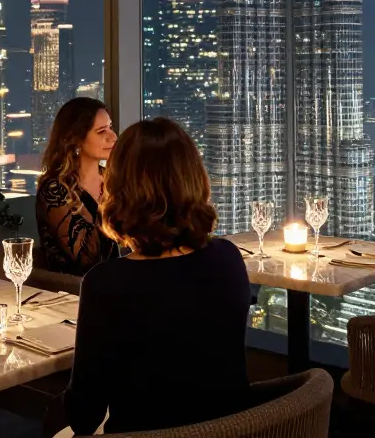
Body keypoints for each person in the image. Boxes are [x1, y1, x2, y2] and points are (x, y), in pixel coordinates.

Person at [61, 117, 251, 435]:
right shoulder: (228, 258)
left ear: (119, 189)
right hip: (234, 430)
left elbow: (84, 415)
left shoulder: (107, 284)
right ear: (194, 178)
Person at [34, 97, 119, 276]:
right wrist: (107, 201)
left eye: (110, 127)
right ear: (76, 139)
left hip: (116, 282)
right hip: (73, 292)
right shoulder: (54, 189)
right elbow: (86, 259)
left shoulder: (111, 179)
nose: (113, 136)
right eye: (101, 131)